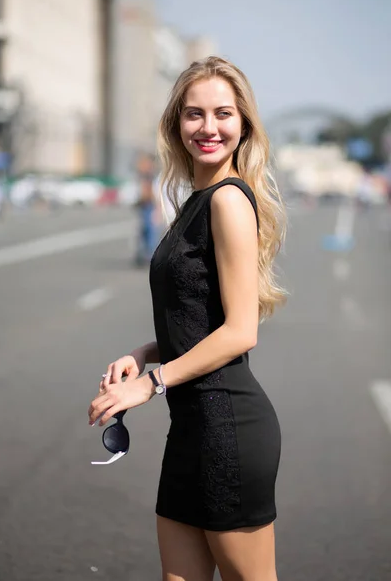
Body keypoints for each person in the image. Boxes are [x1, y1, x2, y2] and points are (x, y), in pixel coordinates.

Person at [88, 56, 287, 581]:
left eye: (223, 113)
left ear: (243, 122)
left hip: (229, 427)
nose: (209, 127)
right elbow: (198, 314)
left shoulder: (227, 200)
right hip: (190, 431)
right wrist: (146, 352)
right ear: (177, 123)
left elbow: (241, 331)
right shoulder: (195, 202)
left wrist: (150, 383)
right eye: (194, 114)